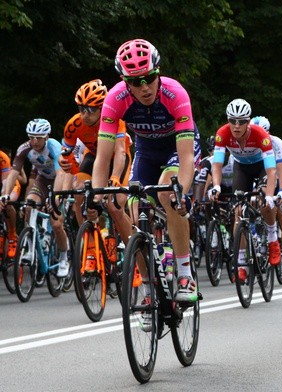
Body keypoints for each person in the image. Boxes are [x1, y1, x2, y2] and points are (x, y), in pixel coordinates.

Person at [91, 38, 201, 303]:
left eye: (149, 77)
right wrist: (96, 194)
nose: (144, 87)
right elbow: (102, 157)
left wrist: (181, 193)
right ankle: (150, 288)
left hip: (178, 147)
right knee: (132, 208)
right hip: (147, 151)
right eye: (135, 81)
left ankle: (185, 274)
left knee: (168, 194)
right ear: (123, 81)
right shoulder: (115, 99)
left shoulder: (176, 94)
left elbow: (186, 158)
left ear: (158, 71)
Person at [60, 79, 134, 269]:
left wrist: (116, 177)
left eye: (91, 110)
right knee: (80, 195)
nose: (85, 114)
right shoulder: (73, 125)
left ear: (102, 108)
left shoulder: (114, 120)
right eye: (81, 108)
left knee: (116, 203)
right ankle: (90, 244)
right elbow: (66, 156)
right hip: (93, 157)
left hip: (118, 158)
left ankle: (132, 248)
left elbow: (119, 152)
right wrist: (67, 165)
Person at [209, 99, 280, 279]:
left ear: (249, 122)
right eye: (232, 120)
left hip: (261, 167)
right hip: (241, 168)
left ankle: (272, 237)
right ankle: (241, 262)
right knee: (238, 212)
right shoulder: (222, 133)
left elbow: (272, 171)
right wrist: (216, 185)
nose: (237, 125)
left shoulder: (260, 134)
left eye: (241, 121)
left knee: (265, 202)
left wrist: (270, 196)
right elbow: (217, 165)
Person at [0, 119, 71, 278]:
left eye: (38, 137)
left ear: (46, 137)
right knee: (29, 206)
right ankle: (30, 245)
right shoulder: (25, 149)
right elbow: (13, 174)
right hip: (43, 180)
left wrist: (55, 198)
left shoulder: (54, 147)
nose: (34, 141)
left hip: (61, 180)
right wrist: (5, 194)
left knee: (56, 222)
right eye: (31, 137)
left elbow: (61, 174)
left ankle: (64, 258)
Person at [250, 115, 282, 275]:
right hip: (266, 176)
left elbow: (281, 170)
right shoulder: (250, 143)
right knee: (260, 202)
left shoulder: (276, 143)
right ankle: (265, 234)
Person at [0, 148, 26, 259]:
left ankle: (12, 235)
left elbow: (6, 187)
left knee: (7, 200)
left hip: (10, 184)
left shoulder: (3, 158)